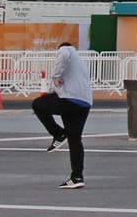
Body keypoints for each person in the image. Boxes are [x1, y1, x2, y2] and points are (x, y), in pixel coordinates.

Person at [32, 40, 93, 189]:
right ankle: (77, 177)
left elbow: (63, 55)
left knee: (38, 104)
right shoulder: (80, 62)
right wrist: (53, 88)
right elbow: (59, 86)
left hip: (70, 100)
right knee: (75, 139)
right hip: (83, 103)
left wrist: (55, 75)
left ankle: (58, 133)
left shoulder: (66, 50)